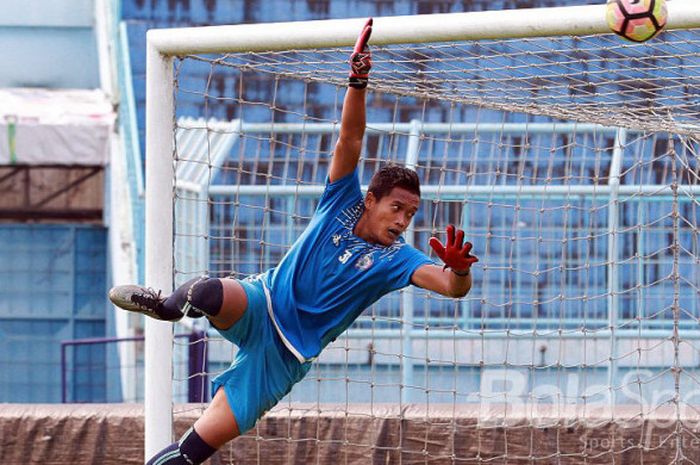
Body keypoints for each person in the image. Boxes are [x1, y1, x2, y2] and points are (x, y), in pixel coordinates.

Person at [109, 18, 478, 465]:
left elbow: (450, 288)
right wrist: (358, 81)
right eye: (397, 208)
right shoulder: (340, 199)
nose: (403, 221)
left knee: (190, 454)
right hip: (261, 301)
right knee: (205, 291)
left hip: (282, 359)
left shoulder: (399, 260)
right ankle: (164, 306)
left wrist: (459, 270)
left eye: (412, 214)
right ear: (371, 200)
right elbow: (351, 137)